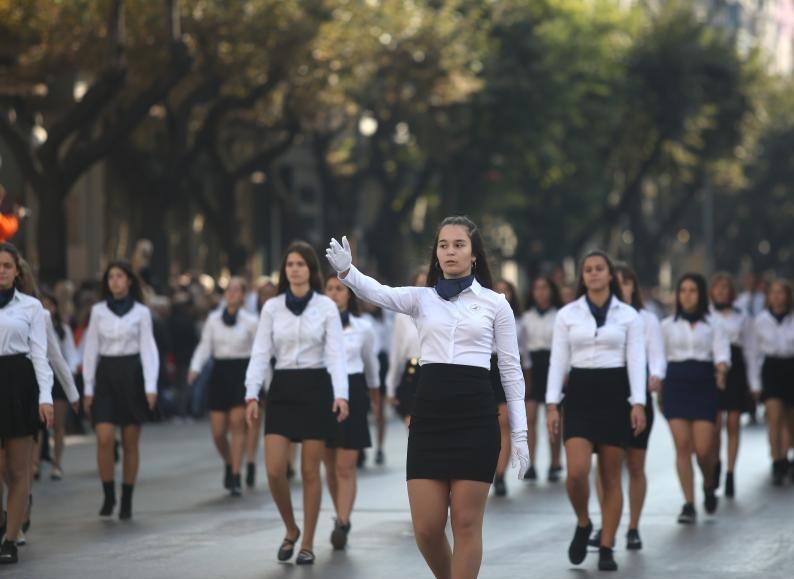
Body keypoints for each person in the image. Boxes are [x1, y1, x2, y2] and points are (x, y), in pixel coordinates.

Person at [326, 216, 530, 579]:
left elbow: (511, 370)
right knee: (426, 528)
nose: (450, 251)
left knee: (466, 525)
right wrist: (348, 272)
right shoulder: (422, 299)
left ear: (474, 255)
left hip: (476, 418)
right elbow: (379, 292)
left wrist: (520, 434)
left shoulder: (496, 304)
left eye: (459, 245)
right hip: (430, 418)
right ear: (436, 255)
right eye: (443, 245)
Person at [244, 241, 349, 566]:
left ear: (310, 270)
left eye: (301, 264)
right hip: (284, 386)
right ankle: (290, 527)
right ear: (284, 270)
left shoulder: (325, 307)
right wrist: (252, 393)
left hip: (316, 387)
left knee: (309, 470)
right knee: (275, 469)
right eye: (290, 264)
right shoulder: (272, 307)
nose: (295, 269)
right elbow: (261, 352)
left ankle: (307, 543)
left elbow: (335, 354)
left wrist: (340, 393)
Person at [546, 250, 646, 572]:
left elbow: (636, 361)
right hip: (580, 393)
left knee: (610, 475)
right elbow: (557, 360)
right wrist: (551, 404)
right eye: (587, 269)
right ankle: (584, 521)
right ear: (582, 276)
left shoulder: (629, 315)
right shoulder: (567, 315)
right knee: (576, 472)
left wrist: (638, 402)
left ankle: (607, 546)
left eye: (599, 269)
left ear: (610, 274)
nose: (593, 274)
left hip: (615, 392)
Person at [589, 264, 665, 551]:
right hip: (607, 398)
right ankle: (605, 523)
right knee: (606, 467)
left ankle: (632, 526)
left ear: (633, 286)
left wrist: (656, 375)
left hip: (637, 398)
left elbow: (656, 356)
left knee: (635, 464)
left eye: (626, 282)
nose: (622, 287)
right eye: (616, 282)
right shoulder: (598, 317)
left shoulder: (645, 319)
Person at [82, 261, 159, 520]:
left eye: (120, 276)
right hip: (105, 375)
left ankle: (127, 498)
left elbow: (149, 349)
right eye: (111, 277)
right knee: (104, 437)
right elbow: (90, 349)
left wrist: (151, 385)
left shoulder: (141, 313)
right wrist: (88, 387)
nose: (115, 281)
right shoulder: (98, 312)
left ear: (129, 281)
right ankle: (108, 493)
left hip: (132, 375)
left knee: (129, 442)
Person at [660, 273, 730, 524]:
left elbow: (722, 352)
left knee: (703, 449)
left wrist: (721, 370)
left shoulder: (714, 324)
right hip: (676, 384)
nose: (687, 295)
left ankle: (709, 482)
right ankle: (688, 503)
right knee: (682, 446)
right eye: (683, 290)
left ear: (700, 294)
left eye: (692, 290)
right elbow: (660, 358)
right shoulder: (667, 325)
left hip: (703, 384)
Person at [0, 243, 54, 564]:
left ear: (17, 270)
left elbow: (39, 355)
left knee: (19, 469)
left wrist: (45, 397)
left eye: (7, 265)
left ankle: (9, 539)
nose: (1, 270)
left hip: (19, 383)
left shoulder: (31, 307)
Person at [323, 274, 380, 549]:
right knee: (330, 467)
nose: (334, 293)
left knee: (346, 465)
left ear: (349, 295)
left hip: (355, 391)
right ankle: (339, 514)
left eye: (340, 289)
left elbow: (371, 364)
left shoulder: (363, 327)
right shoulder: (315, 325)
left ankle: (343, 521)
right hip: (323, 392)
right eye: (330, 289)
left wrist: (375, 394)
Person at [188, 277, 258, 496]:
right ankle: (229, 461)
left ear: (244, 295)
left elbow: (260, 351)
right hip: (220, 372)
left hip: (241, 371)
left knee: (238, 423)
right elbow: (204, 346)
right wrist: (195, 368)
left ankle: (236, 474)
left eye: (237, 290)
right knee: (218, 431)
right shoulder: (213, 319)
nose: (232, 293)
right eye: (229, 289)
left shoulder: (251, 321)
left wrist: (262, 378)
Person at [709, 273, 755, 497]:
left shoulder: (742, 316)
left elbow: (750, 350)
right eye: (717, 287)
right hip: (713, 368)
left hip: (736, 368)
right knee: (715, 423)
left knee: (734, 422)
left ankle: (730, 472)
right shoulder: (706, 314)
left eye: (725, 287)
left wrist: (753, 382)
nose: (721, 292)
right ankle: (716, 462)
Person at [519, 275, 563, 482]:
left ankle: (555, 462)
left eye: (545, 288)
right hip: (531, 367)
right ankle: (531, 464)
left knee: (553, 417)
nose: (541, 292)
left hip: (553, 364)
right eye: (537, 288)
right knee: (530, 417)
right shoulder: (526, 317)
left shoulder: (560, 316)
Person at [752, 280, 794, 485]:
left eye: (782, 292)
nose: (778, 297)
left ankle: (789, 456)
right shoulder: (760, 320)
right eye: (774, 293)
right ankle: (777, 459)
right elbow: (754, 353)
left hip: (791, 367)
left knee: (790, 420)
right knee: (774, 417)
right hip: (771, 369)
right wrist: (754, 383)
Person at [491, 279, 522, 497]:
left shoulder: (519, 321)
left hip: (506, 368)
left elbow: (523, 354)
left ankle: (500, 475)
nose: (502, 294)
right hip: (484, 367)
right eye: (497, 291)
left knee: (504, 423)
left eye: (506, 291)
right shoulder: (480, 313)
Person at [385, 269, 427, 427]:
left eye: (427, 283)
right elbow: (396, 353)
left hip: (436, 370)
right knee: (413, 427)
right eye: (420, 284)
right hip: (413, 372)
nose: (423, 288)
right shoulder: (402, 316)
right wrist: (391, 387)